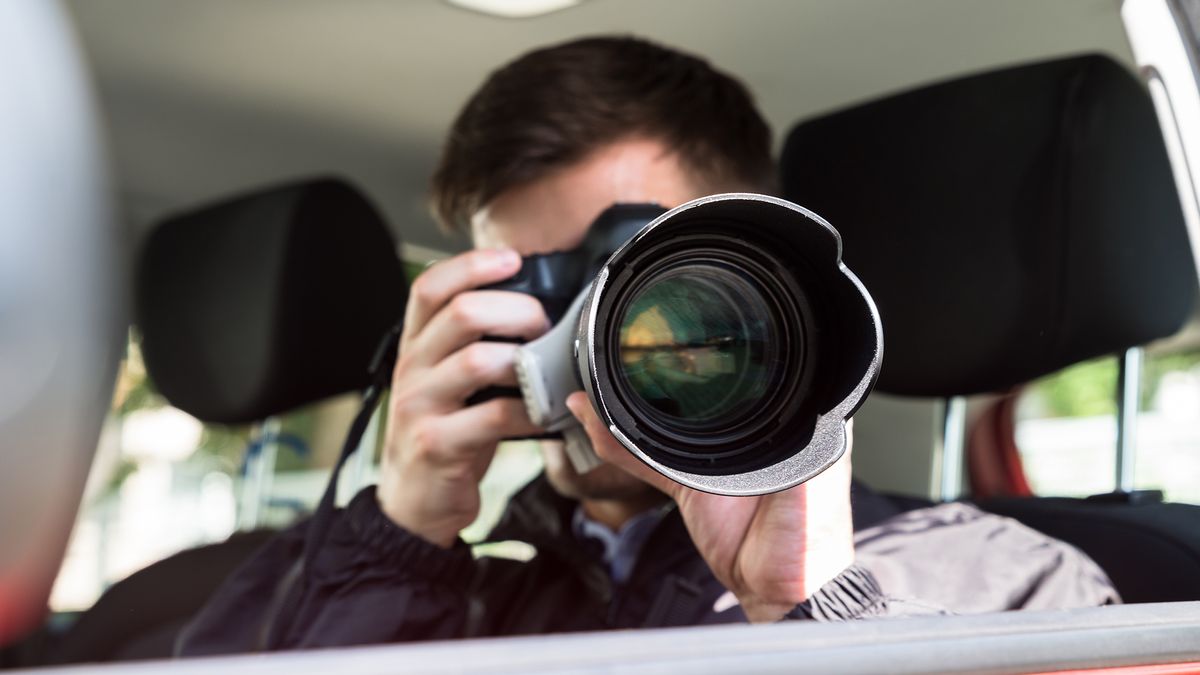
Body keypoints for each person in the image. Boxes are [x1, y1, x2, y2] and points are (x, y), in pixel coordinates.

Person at [178, 36, 1117, 655]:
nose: (601, 327)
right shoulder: (429, 594)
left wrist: (817, 612)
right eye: (532, 286)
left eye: (641, 272)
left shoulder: (1000, 585)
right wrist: (398, 537)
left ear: (760, 277)